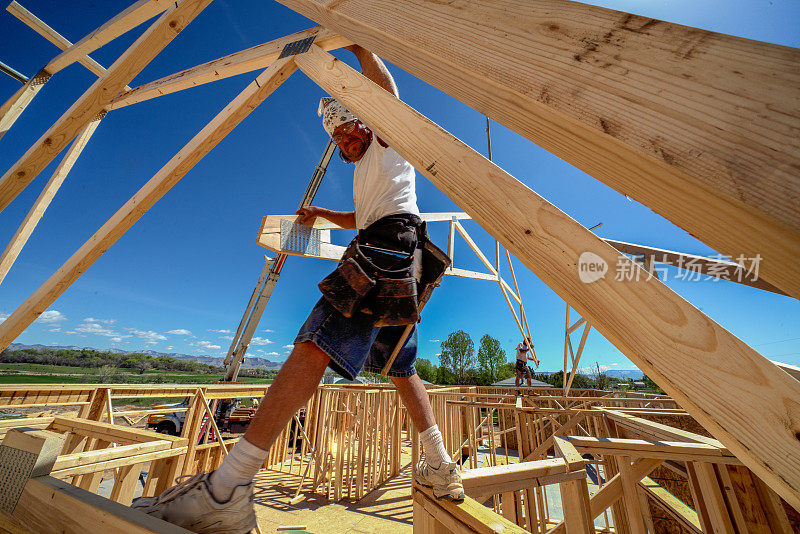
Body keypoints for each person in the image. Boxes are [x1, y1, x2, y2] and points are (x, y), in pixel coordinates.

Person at [131, 45, 464, 534]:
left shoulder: (390, 143)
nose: (346, 142)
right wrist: (322, 215)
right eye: (338, 138)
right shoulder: (369, 173)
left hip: (385, 249)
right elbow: (364, 216)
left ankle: (228, 488)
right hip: (401, 255)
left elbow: (387, 95)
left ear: (367, 122)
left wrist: (357, 46)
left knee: (315, 344)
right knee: (399, 366)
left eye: (351, 129)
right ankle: (439, 464)